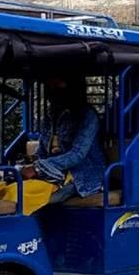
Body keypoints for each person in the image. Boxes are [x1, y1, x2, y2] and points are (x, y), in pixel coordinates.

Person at [24, 76, 107, 206]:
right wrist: (32, 166)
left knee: (28, 198)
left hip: (80, 177)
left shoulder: (87, 116)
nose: (53, 91)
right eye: (50, 87)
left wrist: (38, 168)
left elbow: (78, 154)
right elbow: (42, 150)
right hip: (52, 175)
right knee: (12, 188)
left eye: (58, 86)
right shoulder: (50, 116)